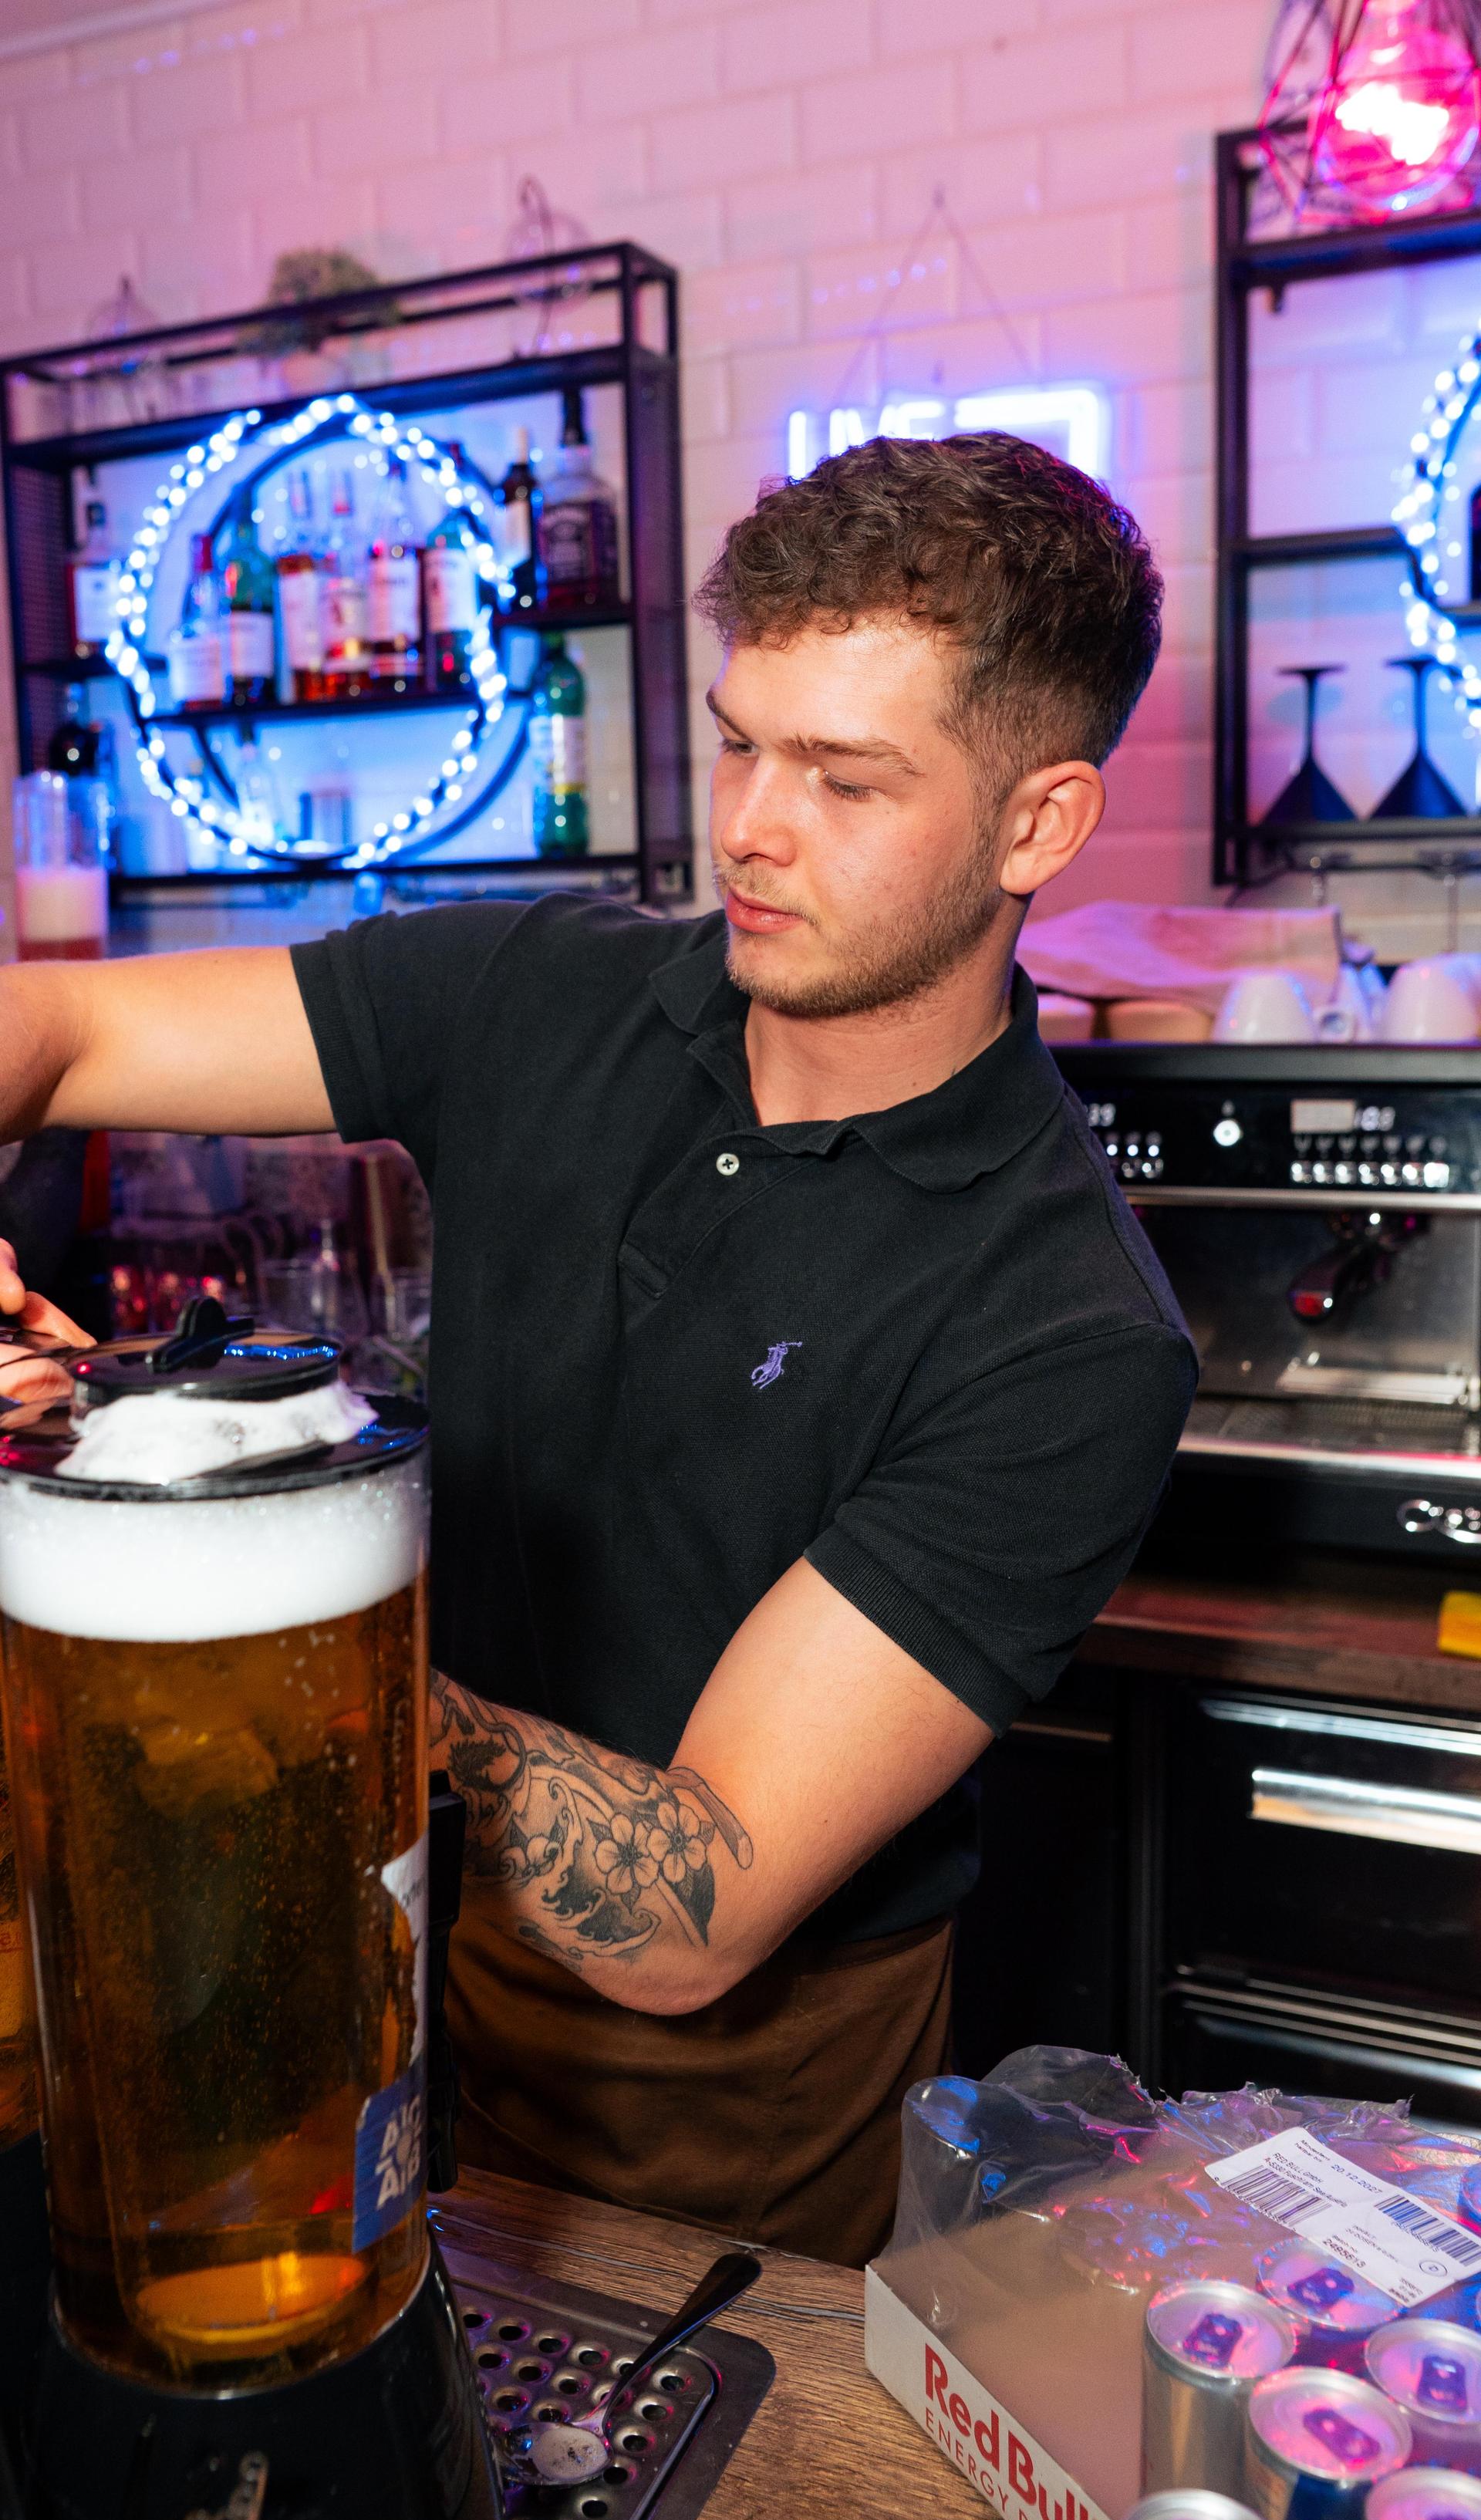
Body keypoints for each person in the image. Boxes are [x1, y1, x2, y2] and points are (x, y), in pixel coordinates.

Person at [0, 434, 1196, 2265]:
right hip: (393, 1943)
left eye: (845, 777)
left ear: (1039, 821)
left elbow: (693, 1903)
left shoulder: (1068, 1330)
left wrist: (250, 1580)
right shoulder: (548, 993)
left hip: (721, 2099)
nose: (748, 828)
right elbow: (61, 1030)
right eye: (737, 739)